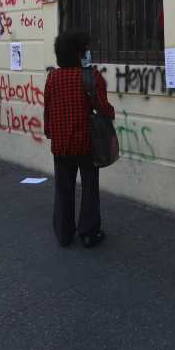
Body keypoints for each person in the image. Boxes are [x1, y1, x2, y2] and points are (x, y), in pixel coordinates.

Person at [43, 31, 114, 248]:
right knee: (90, 187)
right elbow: (103, 108)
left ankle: (64, 233)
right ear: (80, 53)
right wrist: (110, 113)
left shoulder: (52, 78)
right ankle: (88, 232)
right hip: (86, 143)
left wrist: (50, 133)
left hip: (61, 143)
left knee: (63, 190)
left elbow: (47, 109)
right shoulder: (91, 77)